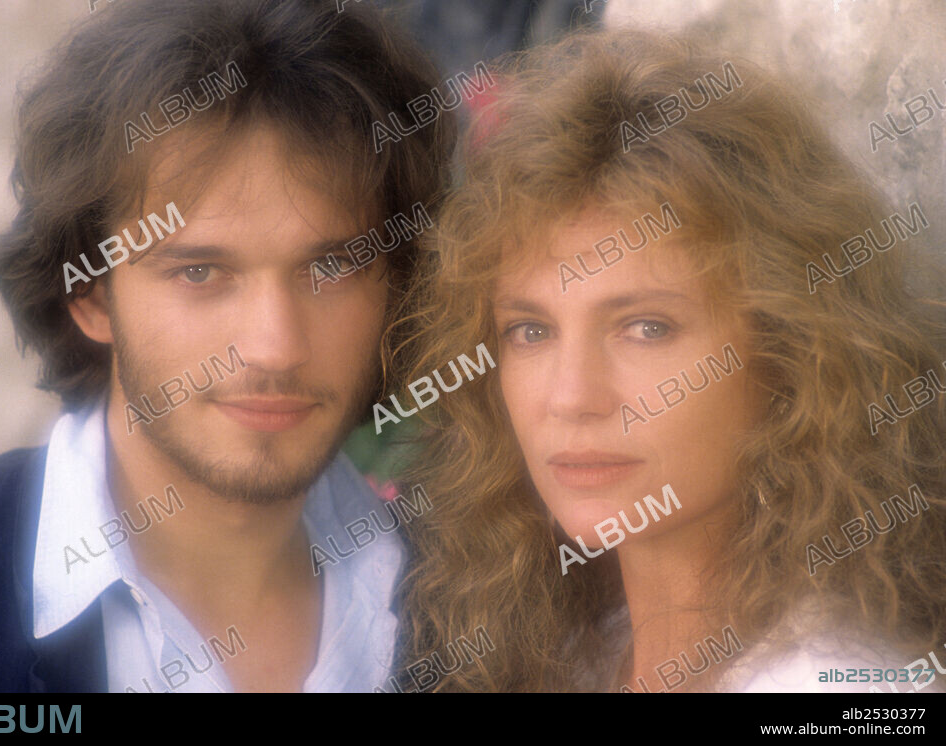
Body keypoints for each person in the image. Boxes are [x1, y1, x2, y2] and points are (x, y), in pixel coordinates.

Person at [0, 0, 454, 693]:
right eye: (200, 272)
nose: (274, 347)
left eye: (331, 268)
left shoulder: (482, 612)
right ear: (87, 293)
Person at [391, 29, 946, 692]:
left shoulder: (845, 691)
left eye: (646, 327)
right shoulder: (577, 658)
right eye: (530, 331)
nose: (571, 397)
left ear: (792, 353)